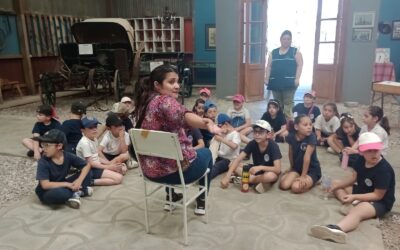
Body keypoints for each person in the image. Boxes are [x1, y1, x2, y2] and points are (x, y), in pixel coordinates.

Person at [133, 64, 220, 215]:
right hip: (177, 173)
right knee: (206, 153)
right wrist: (206, 122)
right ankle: (201, 202)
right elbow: (183, 114)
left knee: (169, 154)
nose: (177, 86)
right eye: (171, 82)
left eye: (177, 81)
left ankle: (172, 197)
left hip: (149, 171)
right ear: (157, 85)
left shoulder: (144, 102)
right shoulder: (165, 101)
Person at [310, 132, 395, 244]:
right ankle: (351, 204)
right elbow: (353, 178)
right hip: (362, 191)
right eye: (369, 150)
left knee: (361, 209)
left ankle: (337, 229)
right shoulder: (360, 160)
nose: (374, 153)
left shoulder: (384, 169)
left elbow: (377, 195)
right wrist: (336, 186)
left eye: (376, 150)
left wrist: (354, 196)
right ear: (361, 151)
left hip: (380, 202)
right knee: (336, 183)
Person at [34, 129, 92, 209]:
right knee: (60, 194)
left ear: (59, 146)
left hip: (62, 184)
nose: (43, 148)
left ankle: (75, 193)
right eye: (42, 145)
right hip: (47, 192)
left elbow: (86, 165)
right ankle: (79, 192)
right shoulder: (43, 161)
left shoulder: (67, 156)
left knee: (88, 173)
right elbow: (45, 185)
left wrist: (79, 181)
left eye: (47, 145)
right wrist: (68, 185)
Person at [220, 120, 281, 194]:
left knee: (272, 176)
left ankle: (248, 180)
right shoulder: (252, 143)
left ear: (268, 135)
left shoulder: (273, 146)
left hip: (268, 171)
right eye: (255, 132)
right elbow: (238, 159)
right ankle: (259, 182)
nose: (257, 135)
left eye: (261, 132)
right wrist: (227, 176)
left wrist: (260, 167)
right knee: (231, 164)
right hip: (255, 169)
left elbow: (277, 169)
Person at [265, 30, 303, 118]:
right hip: (275, 82)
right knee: (277, 103)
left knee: (288, 103)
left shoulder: (295, 52)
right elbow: (269, 66)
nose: (286, 40)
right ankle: (279, 121)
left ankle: (289, 123)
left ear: (291, 40)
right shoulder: (273, 53)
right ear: (280, 40)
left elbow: (300, 65)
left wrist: (297, 79)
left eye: (288, 39)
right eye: (284, 38)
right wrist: (267, 78)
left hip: (289, 82)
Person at [279, 114, 321, 193]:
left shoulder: (312, 137)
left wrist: (303, 176)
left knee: (295, 188)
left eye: (310, 124)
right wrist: (291, 167)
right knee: (283, 185)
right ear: (296, 127)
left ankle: (315, 180)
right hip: (297, 168)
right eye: (305, 125)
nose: (309, 127)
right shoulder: (291, 136)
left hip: (312, 170)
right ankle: (298, 177)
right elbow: (290, 153)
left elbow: (307, 156)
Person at [76, 117, 124, 186]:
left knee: (122, 169)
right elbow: (91, 163)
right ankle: (90, 181)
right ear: (83, 130)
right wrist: (109, 167)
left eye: (95, 126)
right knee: (119, 178)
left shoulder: (94, 139)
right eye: (90, 127)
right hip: (88, 170)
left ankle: (93, 179)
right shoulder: (84, 143)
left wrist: (109, 164)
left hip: (96, 166)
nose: (94, 129)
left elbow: (96, 156)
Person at [210, 113, 241, 180]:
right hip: (220, 156)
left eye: (220, 126)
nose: (220, 128)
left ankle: (206, 177)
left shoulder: (235, 134)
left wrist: (222, 139)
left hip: (229, 160)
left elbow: (234, 146)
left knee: (217, 167)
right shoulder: (223, 133)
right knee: (208, 161)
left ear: (226, 124)